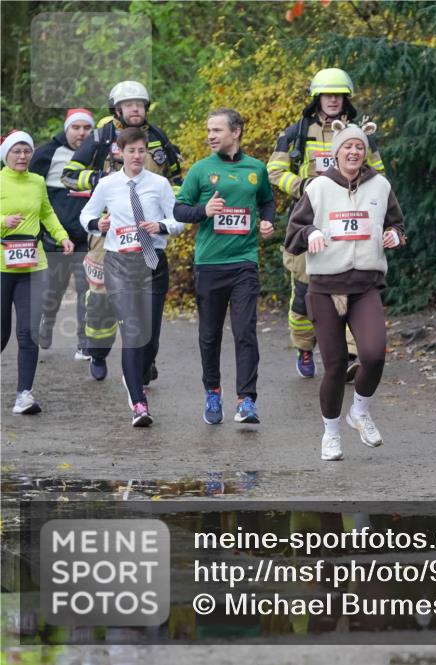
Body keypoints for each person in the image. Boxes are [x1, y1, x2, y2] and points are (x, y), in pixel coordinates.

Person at [284, 121, 405, 461]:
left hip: (365, 284)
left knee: (373, 354)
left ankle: (360, 411)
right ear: (335, 153)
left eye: (359, 147)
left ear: (365, 153)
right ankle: (331, 433)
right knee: (335, 365)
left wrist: (395, 236)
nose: (354, 152)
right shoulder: (319, 187)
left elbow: (397, 224)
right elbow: (293, 234)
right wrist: (309, 233)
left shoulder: (380, 185)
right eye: (347, 147)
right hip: (324, 287)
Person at [267, 68, 384, 381]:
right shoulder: (296, 132)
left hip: (351, 220)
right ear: (316, 97)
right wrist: (303, 185)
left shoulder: (360, 135)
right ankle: (305, 346)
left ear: (346, 98)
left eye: (338, 95)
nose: (333, 100)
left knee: (353, 284)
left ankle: (349, 356)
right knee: (305, 290)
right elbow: (275, 172)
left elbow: (379, 173)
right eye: (327, 94)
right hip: (310, 219)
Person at [62, 81, 183, 382]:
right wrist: (101, 180)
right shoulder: (102, 137)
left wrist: (170, 216)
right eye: (129, 105)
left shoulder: (156, 139)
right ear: (117, 109)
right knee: (101, 294)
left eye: (140, 104)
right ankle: (99, 350)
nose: (135, 109)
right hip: (108, 232)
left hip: (148, 234)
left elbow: (177, 182)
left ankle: (145, 360)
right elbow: (69, 175)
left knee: (148, 301)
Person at [173, 108, 276, 425]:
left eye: (217, 130)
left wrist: (268, 221)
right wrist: (206, 209)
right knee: (210, 334)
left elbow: (266, 200)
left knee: (245, 331)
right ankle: (212, 392)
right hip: (210, 263)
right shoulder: (201, 170)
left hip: (244, 262)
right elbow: (179, 210)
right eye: (208, 130)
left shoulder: (255, 168)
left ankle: (246, 400)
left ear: (237, 132)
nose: (210, 136)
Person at [79, 127, 184, 427]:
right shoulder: (108, 185)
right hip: (119, 264)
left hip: (152, 263)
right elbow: (86, 215)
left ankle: (142, 368)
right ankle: (138, 403)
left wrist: (162, 227)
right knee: (133, 333)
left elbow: (177, 218)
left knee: (149, 340)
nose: (137, 156)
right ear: (120, 152)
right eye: (131, 151)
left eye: (141, 151)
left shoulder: (160, 183)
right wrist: (97, 224)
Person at [1, 130, 75, 414]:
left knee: (28, 332)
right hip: (2, 265)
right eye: (16, 151)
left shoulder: (37, 181)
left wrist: (62, 235)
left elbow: (46, 213)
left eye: (26, 151)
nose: (22, 156)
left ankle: (24, 395)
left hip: (33, 264)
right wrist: (3, 220)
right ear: (6, 155)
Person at [29, 108, 95, 359]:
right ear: (66, 129)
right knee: (52, 291)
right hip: (55, 238)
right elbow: (32, 194)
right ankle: (46, 323)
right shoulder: (47, 153)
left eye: (86, 128)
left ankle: (84, 343)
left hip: (86, 238)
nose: (81, 133)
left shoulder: (97, 154)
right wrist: (38, 232)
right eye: (76, 128)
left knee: (87, 291)